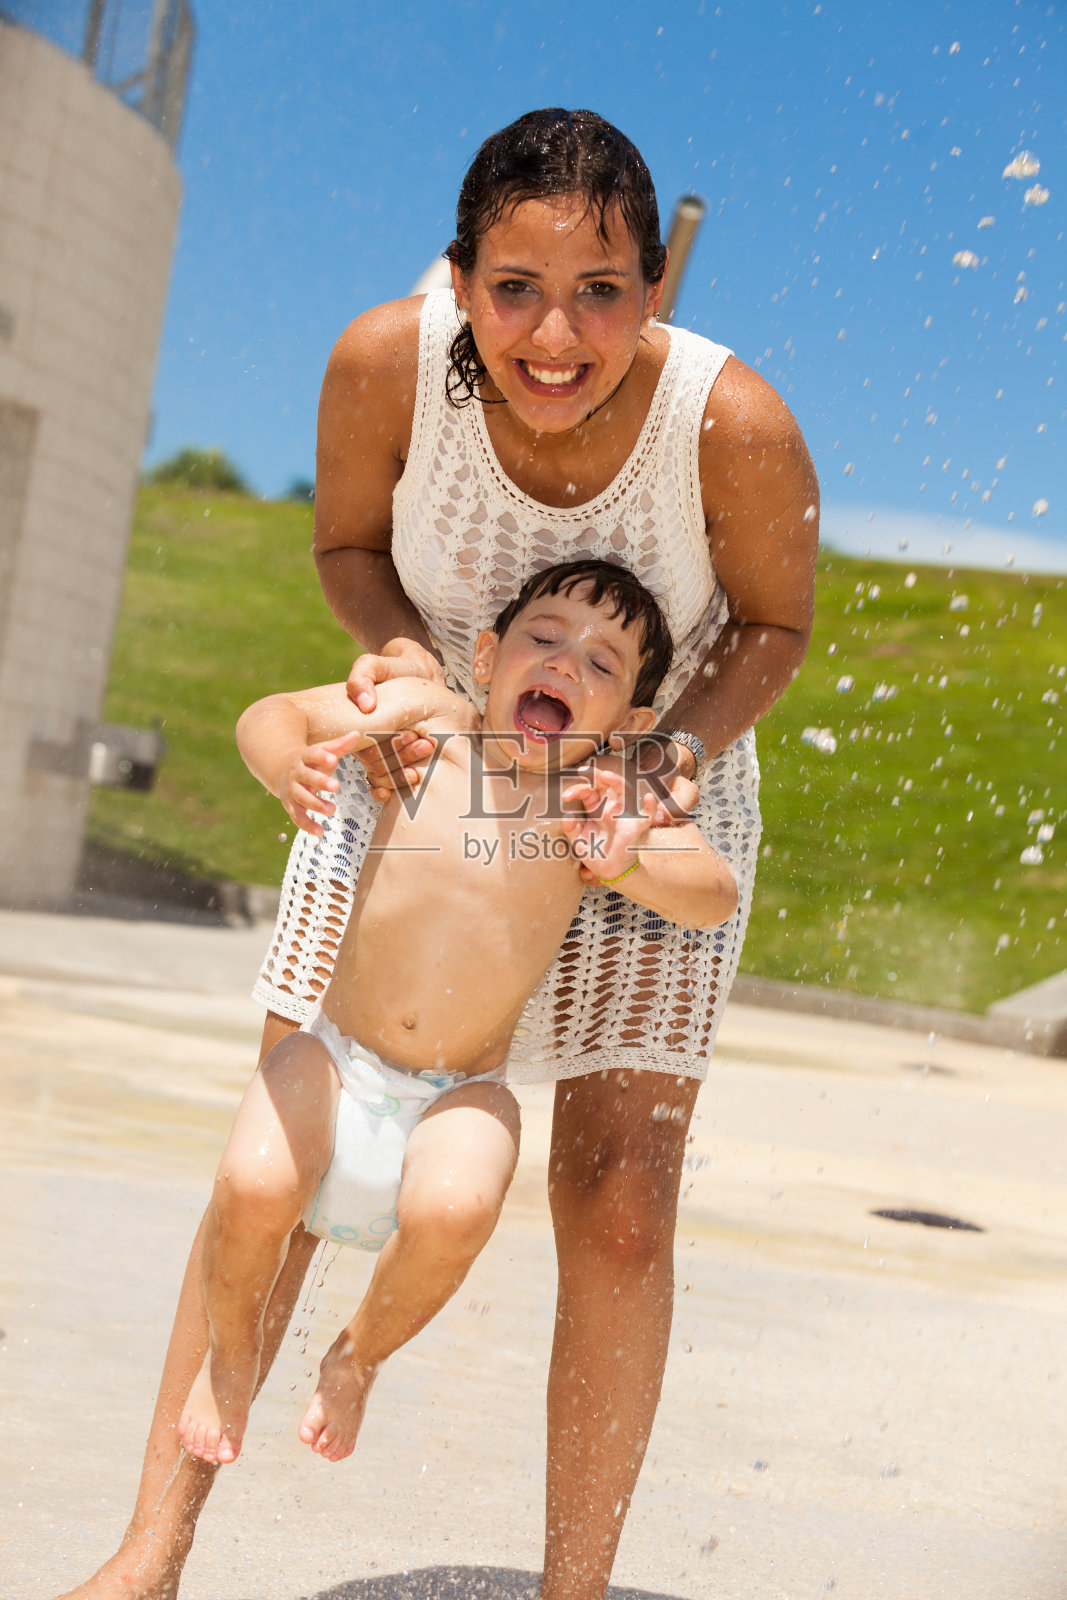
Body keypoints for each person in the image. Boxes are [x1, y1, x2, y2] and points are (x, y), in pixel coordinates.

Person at [60, 109, 818, 1600]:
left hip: (649, 786)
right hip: (424, 764)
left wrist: (649, 771)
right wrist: (408, 671)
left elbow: (776, 626)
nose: (556, 333)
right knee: (278, 1154)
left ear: (652, 286)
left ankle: (571, 1592)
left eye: (601, 289)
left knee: (616, 1199)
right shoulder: (377, 360)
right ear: (460, 276)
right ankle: (149, 1556)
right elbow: (347, 548)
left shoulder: (732, 422)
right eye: (517, 287)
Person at [177, 557, 737, 1470]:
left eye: (601, 665)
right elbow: (270, 715)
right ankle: (230, 1356)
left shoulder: (604, 793)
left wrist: (631, 860)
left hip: (456, 1093)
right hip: (333, 1056)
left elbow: (713, 894)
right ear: (486, 655)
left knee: (457, 1206)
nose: (564, 665)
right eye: (544, 639)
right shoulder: (429, 723)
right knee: (249, 1189)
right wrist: (290, 765)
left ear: (633, 724)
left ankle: (358, 1356)